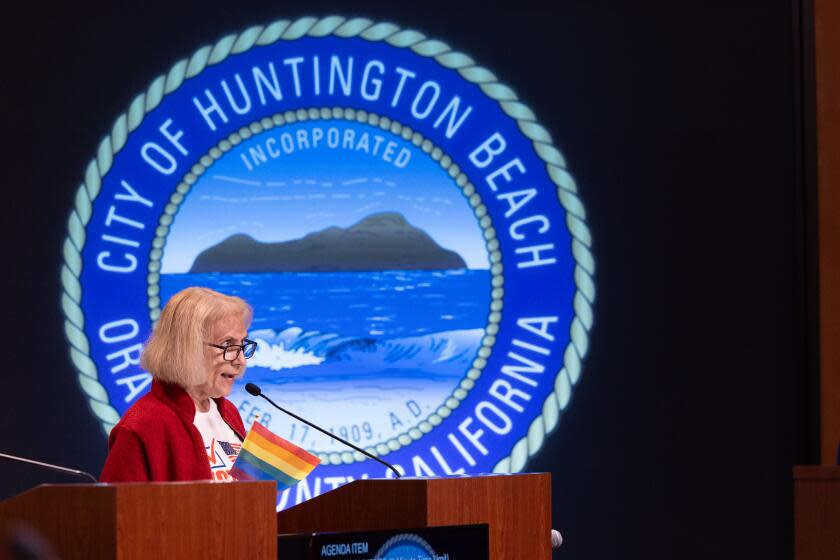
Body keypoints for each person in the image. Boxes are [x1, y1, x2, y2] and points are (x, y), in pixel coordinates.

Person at [100, 287, 257, 482]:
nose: (241, 360)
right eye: (227, 345)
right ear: (187, 347)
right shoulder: (141, 426)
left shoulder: (228, 412)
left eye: (242, 344)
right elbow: (118, 510)